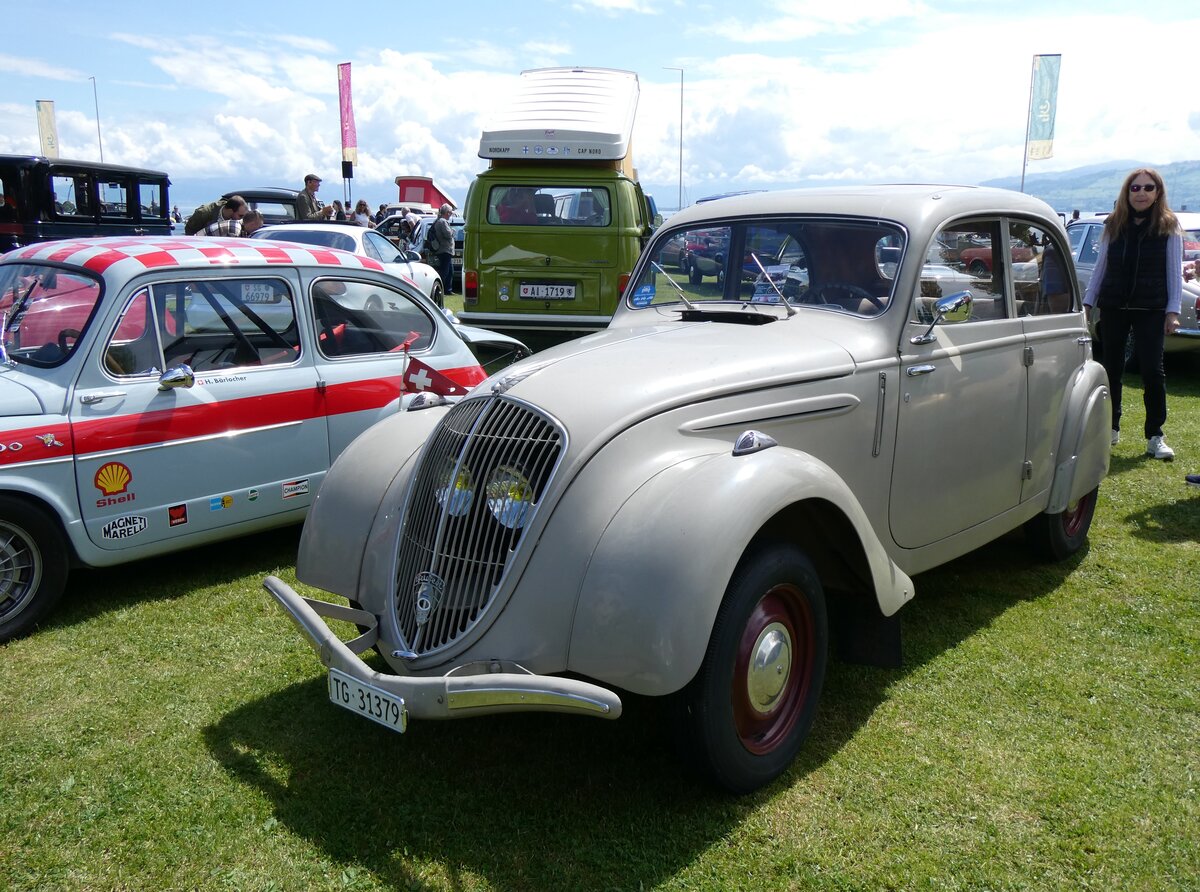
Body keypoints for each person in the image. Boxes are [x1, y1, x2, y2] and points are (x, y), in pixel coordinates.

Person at [1082, 168, 1183, 461]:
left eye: (1148, 188)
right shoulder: (1114, 223)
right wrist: (1089, 303)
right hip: (1114, 306)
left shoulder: (1168, 225)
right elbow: (1101, 266)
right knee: (1111, 369)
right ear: (1127, 193)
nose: (1141, 193)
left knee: (1153, 371)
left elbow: (1173, 272)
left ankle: (1155, 435)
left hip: (1151, 308)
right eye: (1135, 188)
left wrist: (1172, 311)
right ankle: (1109, 428)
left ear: (1157, 193)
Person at [428, 203, 455, 299]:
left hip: (444, 249)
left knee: (450, 271)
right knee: (445, 271)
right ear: (447, 213)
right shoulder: (443, 222)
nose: (451, 214)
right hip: (445, 249)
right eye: (451, 212)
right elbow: (448, 234)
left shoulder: (439, 221)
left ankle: (448, 289)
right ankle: (439, 289)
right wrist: (453, 231)